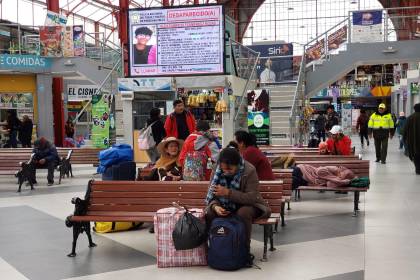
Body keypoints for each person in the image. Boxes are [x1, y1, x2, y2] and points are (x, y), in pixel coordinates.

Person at [205, 148, 271, 257]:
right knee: (209, 212)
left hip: (250, 205)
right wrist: (215, 206)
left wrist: (228, 193)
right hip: (224, 205)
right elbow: (212, 195)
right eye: (223, 168)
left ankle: (243, 250)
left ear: (237, 164)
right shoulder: (217, 170)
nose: (226, 171)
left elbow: (252, 197)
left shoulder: (249, 170)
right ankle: (213, 249)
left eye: (230, 169)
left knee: (243, 212)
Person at [402, 103, 420, 174]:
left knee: (415, 154)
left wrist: (404, 138)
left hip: (413, 140)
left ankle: (418, 169)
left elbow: (405, 129)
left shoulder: (410, 118)